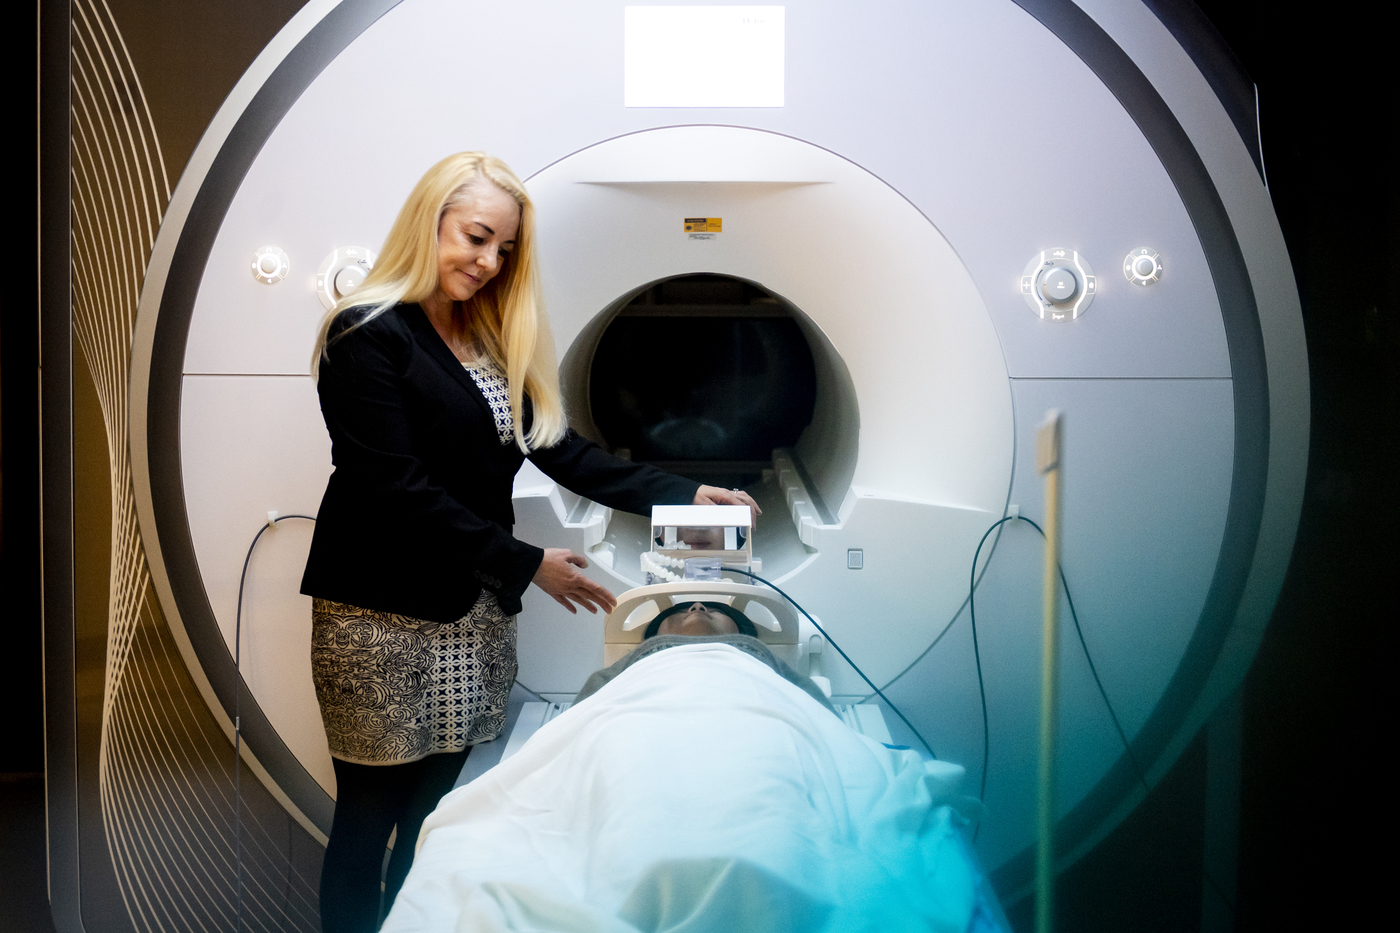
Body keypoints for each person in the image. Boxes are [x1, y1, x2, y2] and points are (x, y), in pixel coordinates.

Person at [299, 152, 759, 932]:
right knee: (367, 820)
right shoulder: (367, 333)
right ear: (429, 223)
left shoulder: (485, 336)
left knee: (440, 820)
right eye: (476, 237)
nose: (488, 262)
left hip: (474, 618)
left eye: (504, 249)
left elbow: (562, 450)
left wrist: (684, 494)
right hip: (381, 618)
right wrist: (528, 564)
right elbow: (396, 488)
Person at [572, 601, 834, 713]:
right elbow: (585, 713)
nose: (697, 607)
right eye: (682, 610)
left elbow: (815, 714)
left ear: (742, 633)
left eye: (715, 610)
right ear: (653, 638)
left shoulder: (761, 660)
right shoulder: (636, 663)